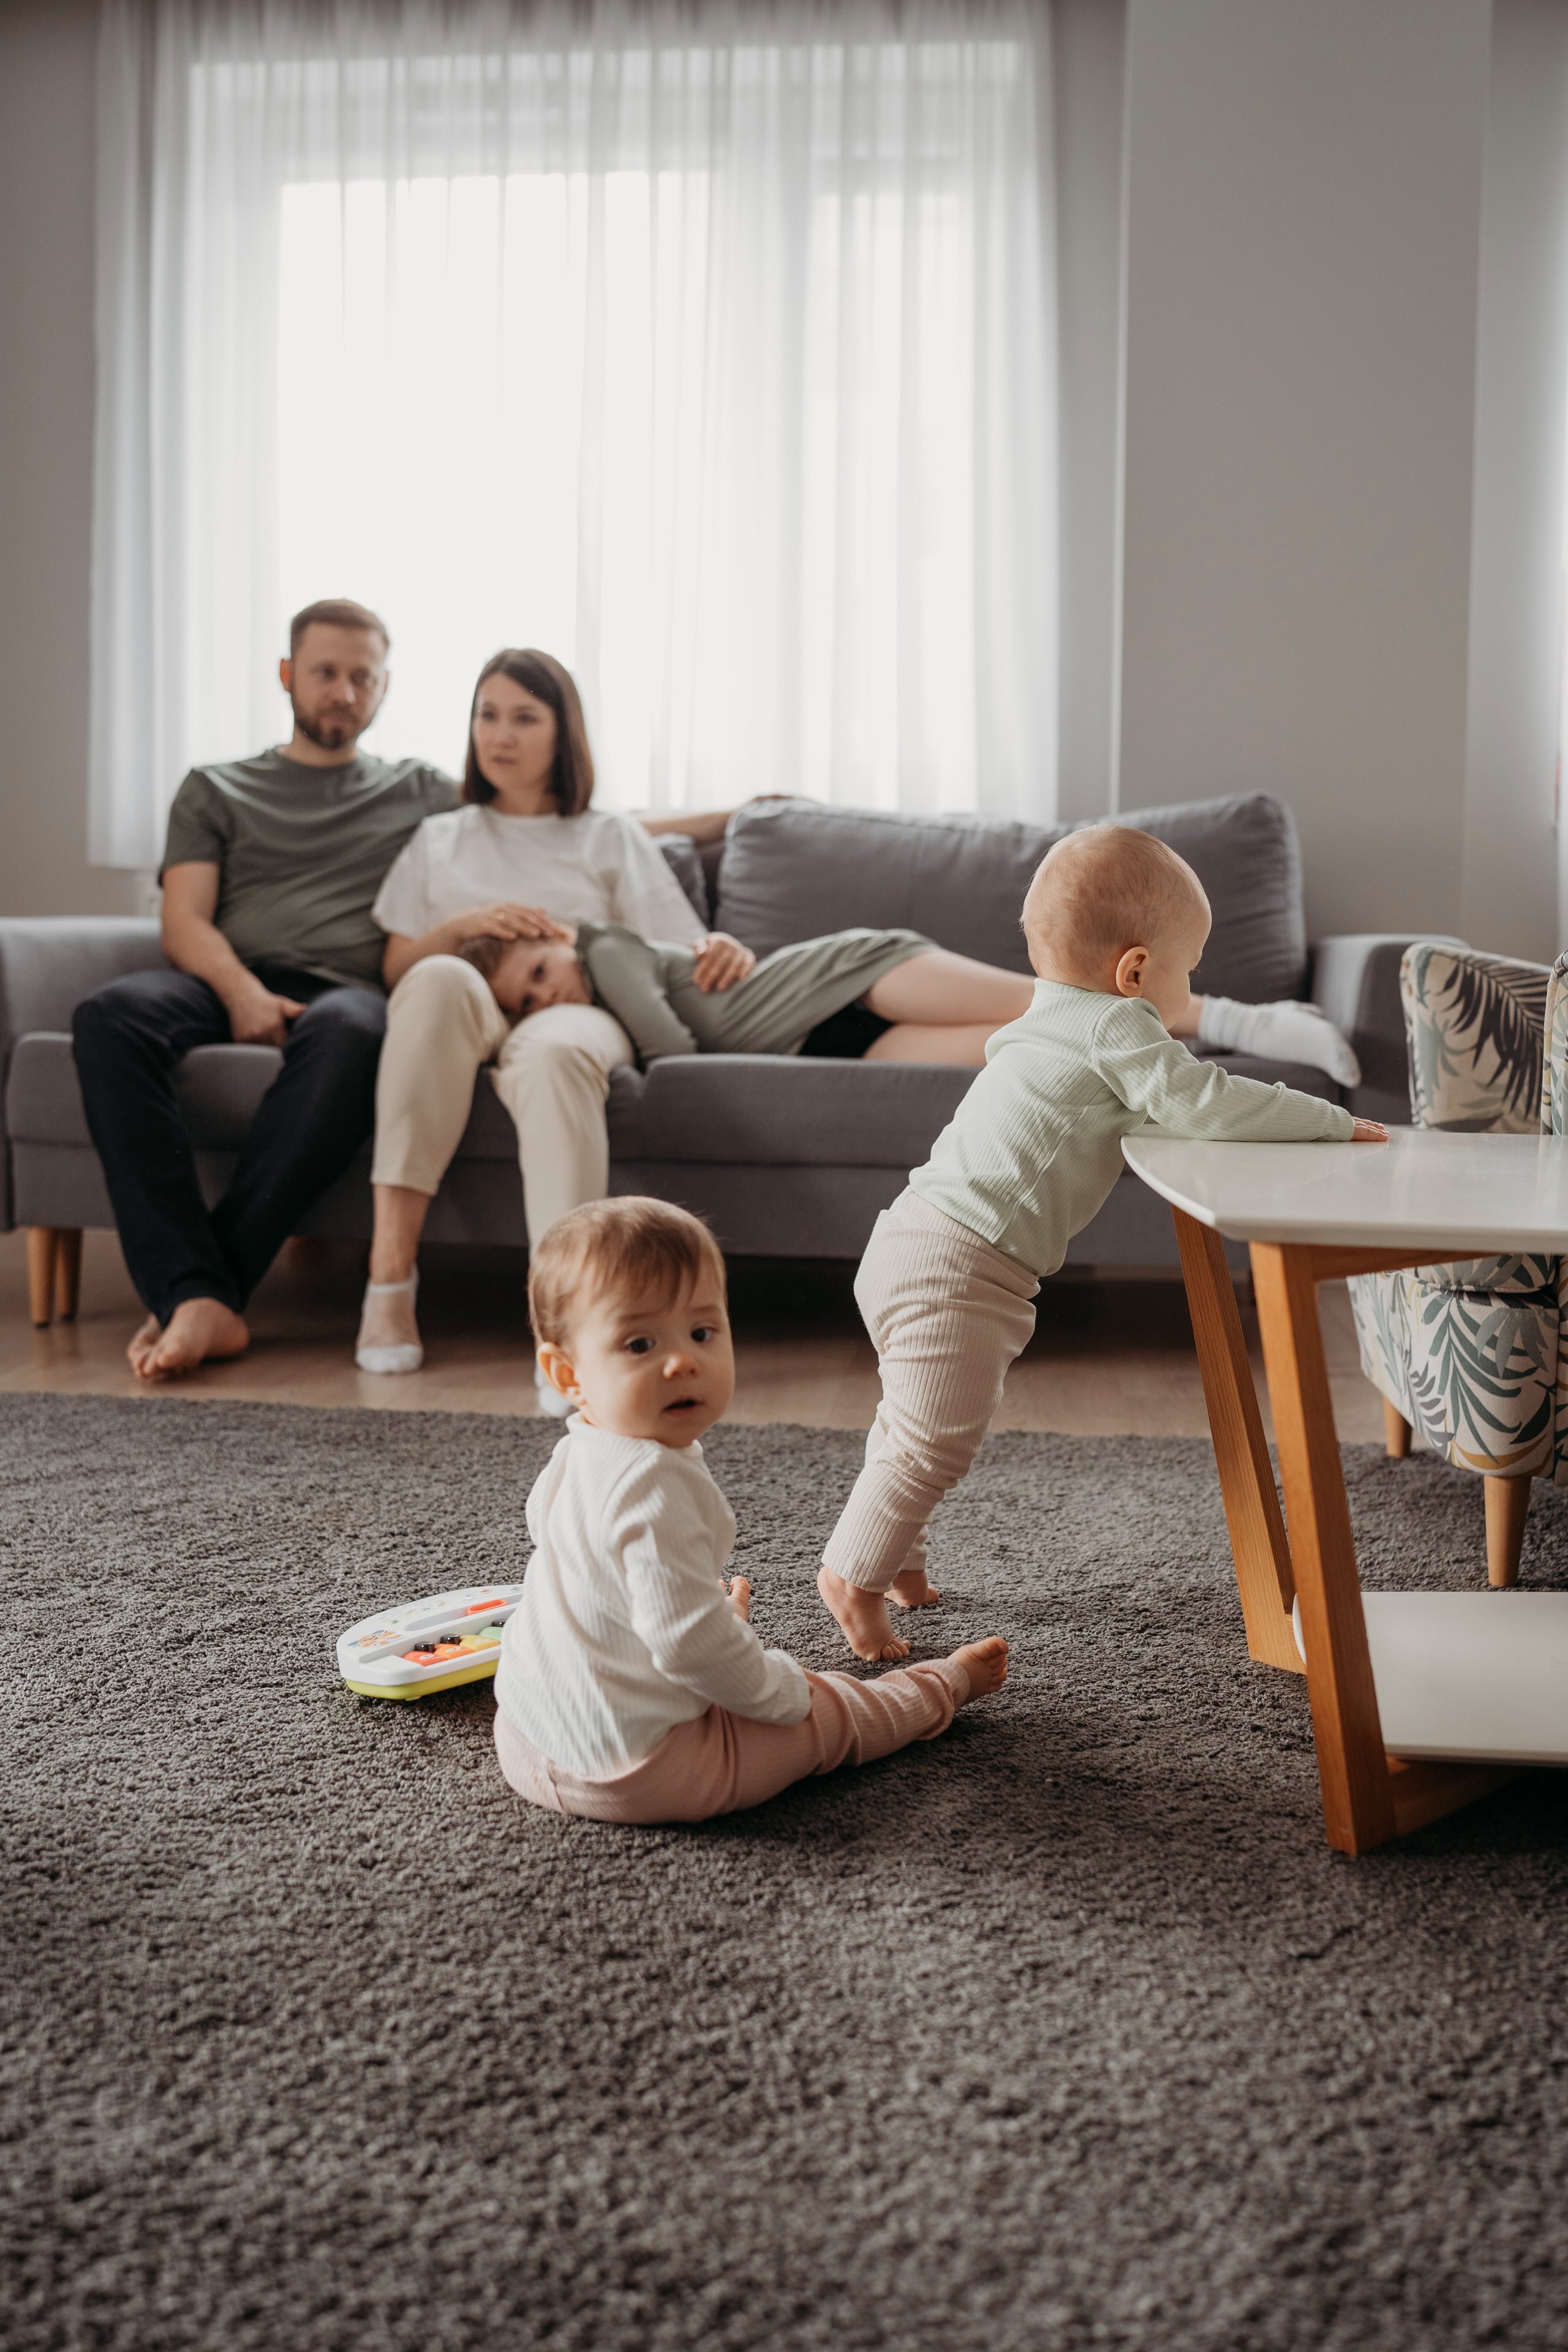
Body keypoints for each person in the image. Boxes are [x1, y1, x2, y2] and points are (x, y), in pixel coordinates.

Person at [815, 824, 1390, 1665]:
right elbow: (1204, 1099)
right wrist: (1331, 1122)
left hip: (914, 1240)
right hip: (958, 1263)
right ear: (1134, 973)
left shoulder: (1048, 1016)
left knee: (908, 1422)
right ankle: (850, 1578)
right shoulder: (1118, 1027)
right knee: (931, 1437)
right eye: (1186, 971)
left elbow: (1149, 1105)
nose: (1187, 990)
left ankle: (898, 1559)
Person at [490, 1195, 1011, 1825]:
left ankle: (705, 1622)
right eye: (639, 1343)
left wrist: (693, 1611)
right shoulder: (655, 1486)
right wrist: (778, 1688)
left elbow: (563, 1546)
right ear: (566, 1373)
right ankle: (946, 1686)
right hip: (644, 1773)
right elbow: (688, 1652)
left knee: (686, 1625)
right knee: (829, 1715)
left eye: (702, 1332)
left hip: (524, 1731)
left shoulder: (578, 1453)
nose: (681, 1360)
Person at [72, 599, 457, 1379]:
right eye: (325, 673)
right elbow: (183, 922)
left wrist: (719, 818)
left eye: (362, 677)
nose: (343, 693)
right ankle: (199, 1291)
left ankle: (204, 1293)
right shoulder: (216, 788)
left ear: (383, 690)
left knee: (352, 1032)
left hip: (347, 991)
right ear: (287, 676)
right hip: (225, 978)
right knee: (108, 1016)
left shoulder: (420, 791)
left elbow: (558, 818)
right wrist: (242, 992)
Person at [356, 648, 758, 1393]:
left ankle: (570, 1328)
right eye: (487, 715)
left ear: (561, 732)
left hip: (575, 1007)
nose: (500, 735)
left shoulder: (607, 837)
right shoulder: (439, 839)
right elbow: (395, 967)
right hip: (466, 1008)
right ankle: (389, 1280)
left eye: (523, 718)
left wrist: (721, 944)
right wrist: (467, 923)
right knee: (438, 976)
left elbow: (669, 949)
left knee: (552, 1054)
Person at [458, 920, 1036, 1065]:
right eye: (527, 1005)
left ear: (558, 934)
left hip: (850, 978)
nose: (547, 997)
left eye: (538, 973)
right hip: (820, 1046)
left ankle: (1129, 992)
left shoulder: (603, 949)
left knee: (1046, 1003)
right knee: (1040, 1040)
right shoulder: (599, 1014)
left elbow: (672, 1050)